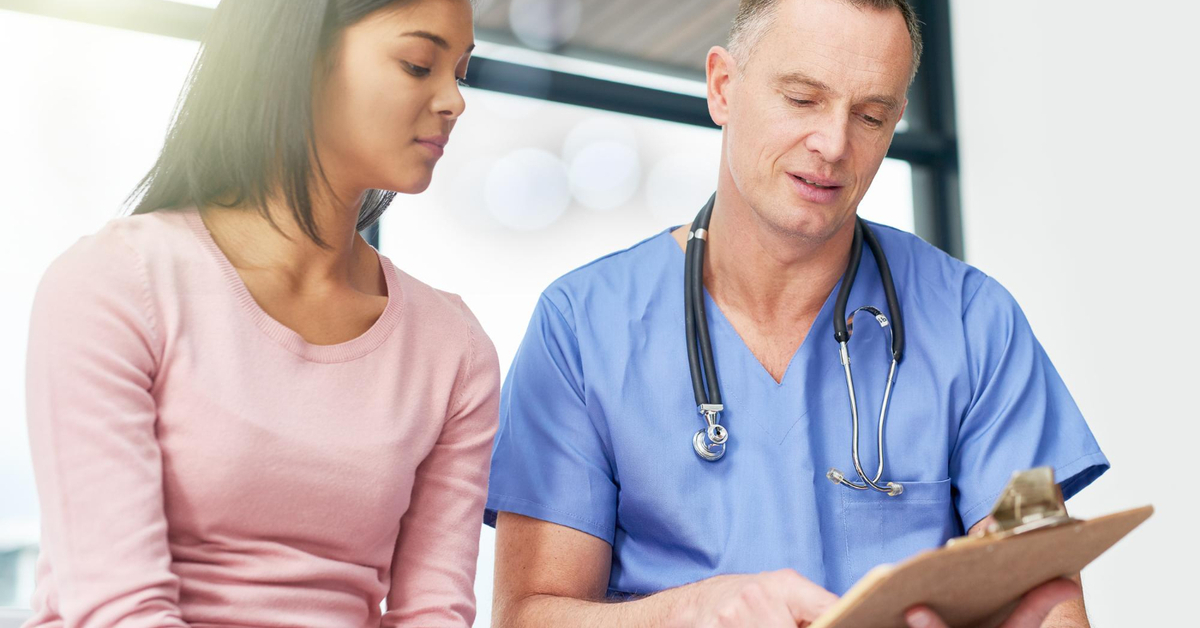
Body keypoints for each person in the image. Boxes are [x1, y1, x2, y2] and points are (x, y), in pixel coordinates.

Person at [485, 0, 1108, 626]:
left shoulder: (977, 324)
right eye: (804, 100)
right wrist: (699, 611)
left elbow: (1047, 600)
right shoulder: (582, 327)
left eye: (870, 116)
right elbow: (528, 616)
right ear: (724, 87)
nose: (834, 144)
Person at [23, 0, 495, 626]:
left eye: (459, 74)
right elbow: (119, 612)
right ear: (300, 58)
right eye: (418, 64)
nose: (454, 102)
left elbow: (433, 613)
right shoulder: (115, 283)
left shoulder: (453, 350)